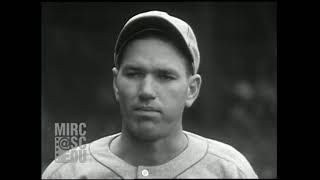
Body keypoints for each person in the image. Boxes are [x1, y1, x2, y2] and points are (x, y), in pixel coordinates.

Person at [42, 10, 258, 179]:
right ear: (116, 84)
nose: (146, 91)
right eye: (134, 74)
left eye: (165, 76)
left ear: (191, 89)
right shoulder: (69, 171)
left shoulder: (229, 170)